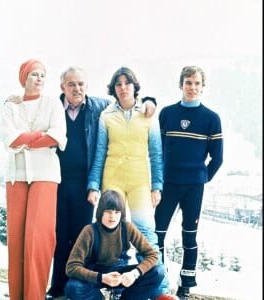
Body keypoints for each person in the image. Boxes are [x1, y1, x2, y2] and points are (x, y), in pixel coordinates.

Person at [46, 66, 158, 299]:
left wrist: (149, 100)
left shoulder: (97, 107)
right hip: (57, 182)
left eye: (81, 84)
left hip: (86, 184)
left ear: (86, 86)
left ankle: (97, 284)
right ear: (62, 87)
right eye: (71, 84)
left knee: (82, 235)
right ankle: (60, 288)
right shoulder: (54, 108)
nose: (77, 89)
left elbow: (126, 98)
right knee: (60, 235)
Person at [87, 66, 170, 299]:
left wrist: (157, 186)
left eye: (127, 83)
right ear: (114, 89)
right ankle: (118, 286)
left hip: (139, 181)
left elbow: (156, 154)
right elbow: (100, 153)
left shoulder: (147, 114)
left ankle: (160, 290)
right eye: (118, 84)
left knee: (146, 232)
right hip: (112, 179)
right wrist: (94, 185)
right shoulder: (106, 115)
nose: (123, 88)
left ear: (135, 86)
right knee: (113, 232)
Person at [154, 66, 223, 300]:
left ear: (203, 87)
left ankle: (185, 285)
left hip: (194, 187)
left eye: (196, 83)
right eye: (188, 83)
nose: (192, 87)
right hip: (168, 184)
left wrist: (201, 177)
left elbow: (218, 157)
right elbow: (157, 151)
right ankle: (159, 282)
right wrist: (158, 178)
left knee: (189, 235)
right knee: (157, 234)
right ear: (180, 85)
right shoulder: (167, 114)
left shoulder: (211, 119)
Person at [1, 59, 67, 300]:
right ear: (24, 79)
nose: (39, 79)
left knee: (37, 237)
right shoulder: (11, 106)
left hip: (45, 174)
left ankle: (34, 296)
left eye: (42, 75)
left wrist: (26, 139)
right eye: (33, 75)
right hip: (16, 174)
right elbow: (9, 138)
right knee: (17, 238)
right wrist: (40, 136)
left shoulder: (52, 104)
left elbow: (58, 136)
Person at [65, 190, 171, 300]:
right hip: (96, 273)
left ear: (122, 214)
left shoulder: (127, 227)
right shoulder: (89, 231)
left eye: (117, 212)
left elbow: (152, 255)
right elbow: (71, 267)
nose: (113, 216)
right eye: (108, 212)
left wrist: (134, 274)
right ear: (101, 212)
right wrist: (102, 278)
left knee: (158, 271)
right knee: (73, 287)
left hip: (120, 272)